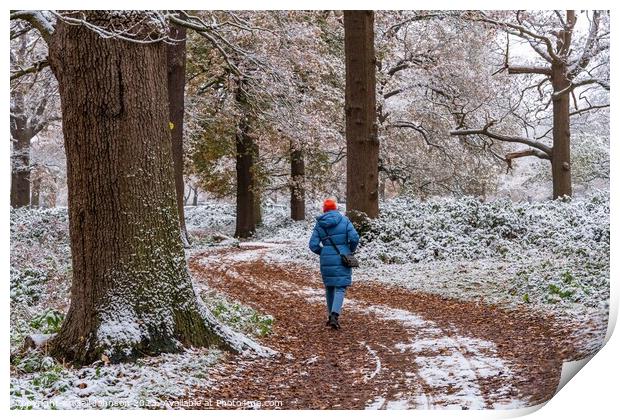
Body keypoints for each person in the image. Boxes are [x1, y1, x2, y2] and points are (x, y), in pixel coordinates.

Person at [308, 198, 360, 330]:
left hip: (326, 259)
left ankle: (330, 315)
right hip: (342, 257)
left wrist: (324, 252)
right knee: (340, 287)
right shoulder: (344, 220)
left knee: (329, 287)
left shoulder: (320, 224)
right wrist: (350, 250)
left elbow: (313, 245)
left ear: (324, 210)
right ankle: (334, 315)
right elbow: (354, 238)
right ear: (336, 208)